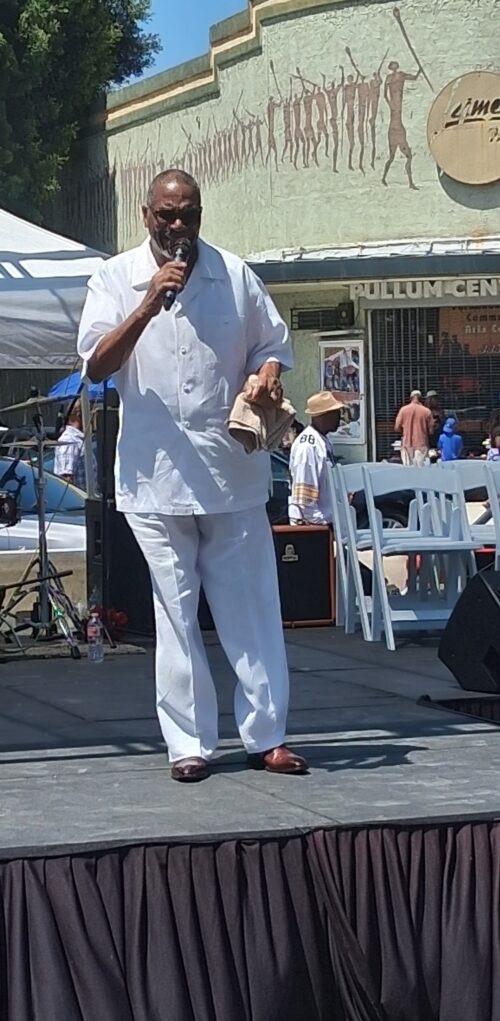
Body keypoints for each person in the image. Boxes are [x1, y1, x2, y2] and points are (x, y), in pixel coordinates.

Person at [77, 167, 307, 784]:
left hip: (233, 470)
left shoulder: (234, 275)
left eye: (190, 214)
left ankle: (268, 737)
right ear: (147, 216)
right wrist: (150, 300)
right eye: (167, 215)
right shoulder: (114, 278)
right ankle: (190, 744)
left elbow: (273, 344)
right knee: (175, 613)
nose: (179, 226)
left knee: (252, 607)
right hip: (154, 478)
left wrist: (267, 372)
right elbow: (97, 364)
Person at [288, 391, 342, 524]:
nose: (339, 417)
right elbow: (305, 502)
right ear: (321, 416)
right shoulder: (308, 446)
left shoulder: (322, 441)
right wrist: (322, 522)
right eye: (334, 413)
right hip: (312, 526)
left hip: (324, 520)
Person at [53, 399, 95, 489]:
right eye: (90, 414)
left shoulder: (79, 440)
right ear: (79, 415)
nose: (92, 419)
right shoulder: (69, 440)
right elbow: (65, 481)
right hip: (79, 501)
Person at [394, 390, 432, 466]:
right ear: (421, 398)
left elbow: (397, 427)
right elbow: (431, 430)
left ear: (411, 398)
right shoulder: (426, 411)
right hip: (421, 443)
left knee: (408, 468)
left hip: (407, 443)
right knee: (420, 468)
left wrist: (405, 431)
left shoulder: (403, 410)